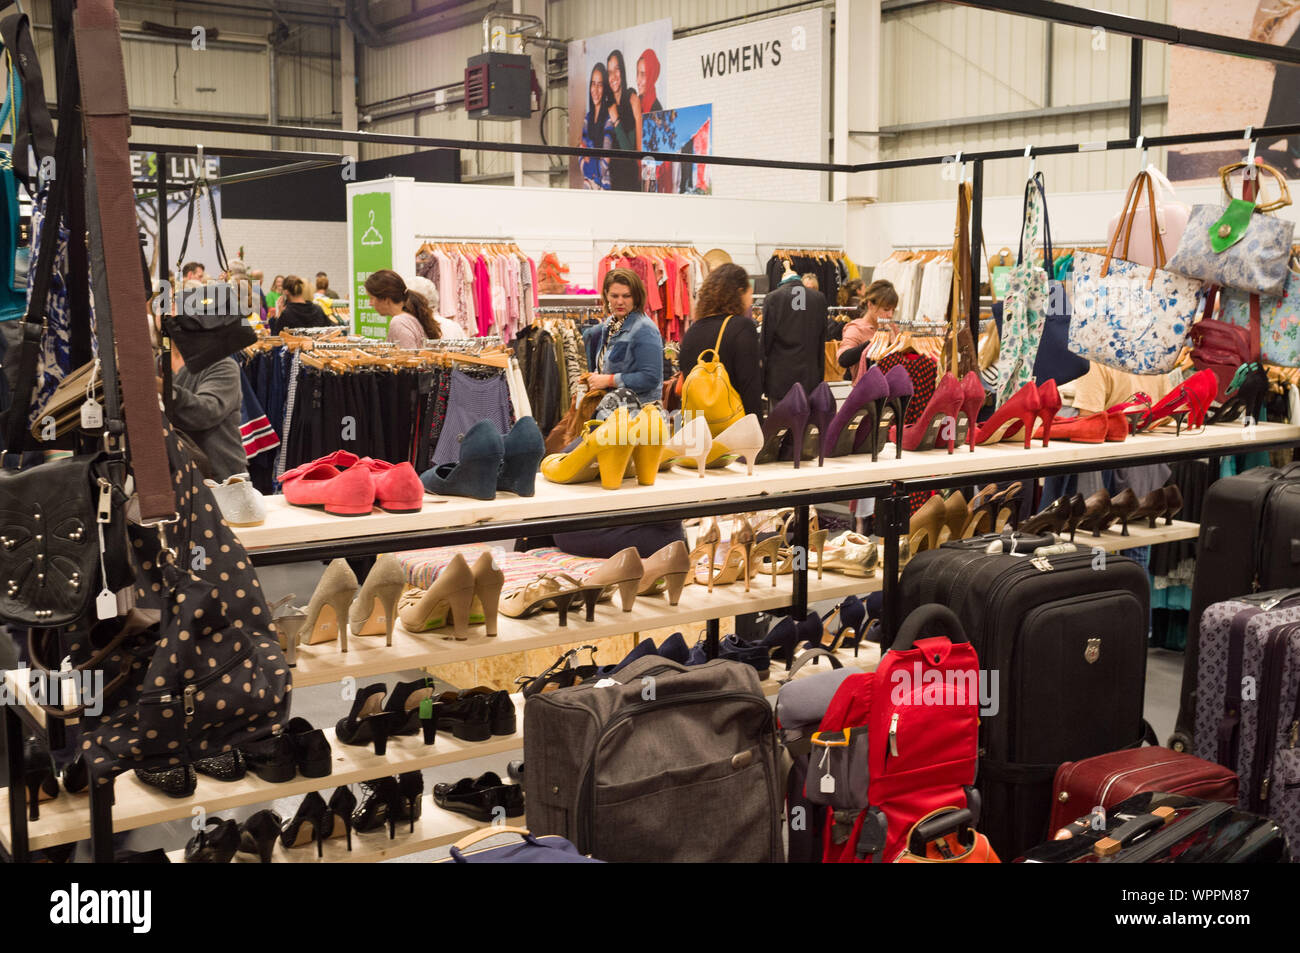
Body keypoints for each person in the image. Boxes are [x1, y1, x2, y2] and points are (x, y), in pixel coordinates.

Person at [677, 263, 763, 419]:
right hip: (730, 426)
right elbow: (750, 386)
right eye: (749, 294)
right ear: (739, 293)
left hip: (697, 427)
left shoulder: (692, 331)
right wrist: (757, 430)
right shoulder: (742, 328)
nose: (750, 301)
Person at [161, 326, 248, 481]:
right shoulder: (158, 363)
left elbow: (205, 413)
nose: (170, 312)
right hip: (177, 475)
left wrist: (165, 390)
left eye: (177, 304)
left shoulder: (221, 364)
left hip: (221, 478)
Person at [582, 267, 663, 406]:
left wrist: (609, 380)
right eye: (614, 296)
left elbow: (650, 378)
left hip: (639, 413)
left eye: (626, 296)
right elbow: (606, 363)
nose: (620, 302)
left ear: (636, 297)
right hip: (615, 409)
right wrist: (596, 378)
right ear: (606, 295)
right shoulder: (610, 324)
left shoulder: (645, 329)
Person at [762, 263, 828, 404]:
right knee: (806, 423)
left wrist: (763, 381)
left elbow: (765, 344)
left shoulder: (773, 298)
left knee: (779, 424)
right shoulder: (819, 298)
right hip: (810, 377)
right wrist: (820, 376)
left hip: (779, 380)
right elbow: (821, 342)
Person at [836, 279, 897, 382]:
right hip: (865, 392)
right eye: (886, 309)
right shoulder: (856, 328)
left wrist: (894, 344)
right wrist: (873, 342)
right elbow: (843, 359)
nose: (890, 315)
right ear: (870, 305)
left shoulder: (892, 327)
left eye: (893, 310)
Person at [365, 268, 442, 348]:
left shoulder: (399, 322)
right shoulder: (409, 318)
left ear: (386, 299)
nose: (370, 303)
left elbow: (408, 358)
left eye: (372, 298)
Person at [605, 49, 642, 192]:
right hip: (612, 180)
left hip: (630, 179)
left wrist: (617, 121)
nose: (613, 76)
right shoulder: (607, 106)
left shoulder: (632, 99)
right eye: (609, 72)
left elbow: (630, 152)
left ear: (623, 71)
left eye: (617, 70)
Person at [580, 64, 614, 190]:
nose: (595, 89)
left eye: (600, 85)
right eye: (593, 84)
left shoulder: (609, 119)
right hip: (587, 186)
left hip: (604, 187)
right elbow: (580, 153)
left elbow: (605, 162)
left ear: (605, 88)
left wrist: (589, 163)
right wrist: (590, 164)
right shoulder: (587, 119)